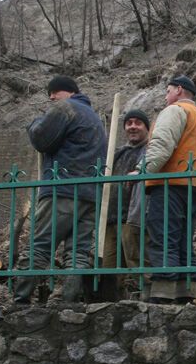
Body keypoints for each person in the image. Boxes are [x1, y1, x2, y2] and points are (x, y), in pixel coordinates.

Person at [14, 76, 107, 304]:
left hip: (63, 190)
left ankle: (21, 299)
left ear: (66, 92)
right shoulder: (95, 118)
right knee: (78, 252)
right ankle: (69, 301)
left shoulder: (65, 108)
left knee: (40, 244)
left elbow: (41, 139)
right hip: (90, 195)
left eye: (54, 93)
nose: (52, 98)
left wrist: (35, 122)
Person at [142, 75, 196, 304]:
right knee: (183, 241)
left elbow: (162, 145)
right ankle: (185, 293)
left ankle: (163, 294)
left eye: (167, 91)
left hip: (169, 184)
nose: (165, 96)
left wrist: (143, 171)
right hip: (194, 188)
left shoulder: (175, 110)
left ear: (179, 90)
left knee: (164, 237)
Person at [92, 109, 150, 302]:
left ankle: (149, 300)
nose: (132, 126)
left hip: (132, 217)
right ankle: (110, 305)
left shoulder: (148, 152)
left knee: (137, 262)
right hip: (110, 218)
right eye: (129, 123)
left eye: (138, 123)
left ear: (146, 128)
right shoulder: (117, 154)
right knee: (109, 268)